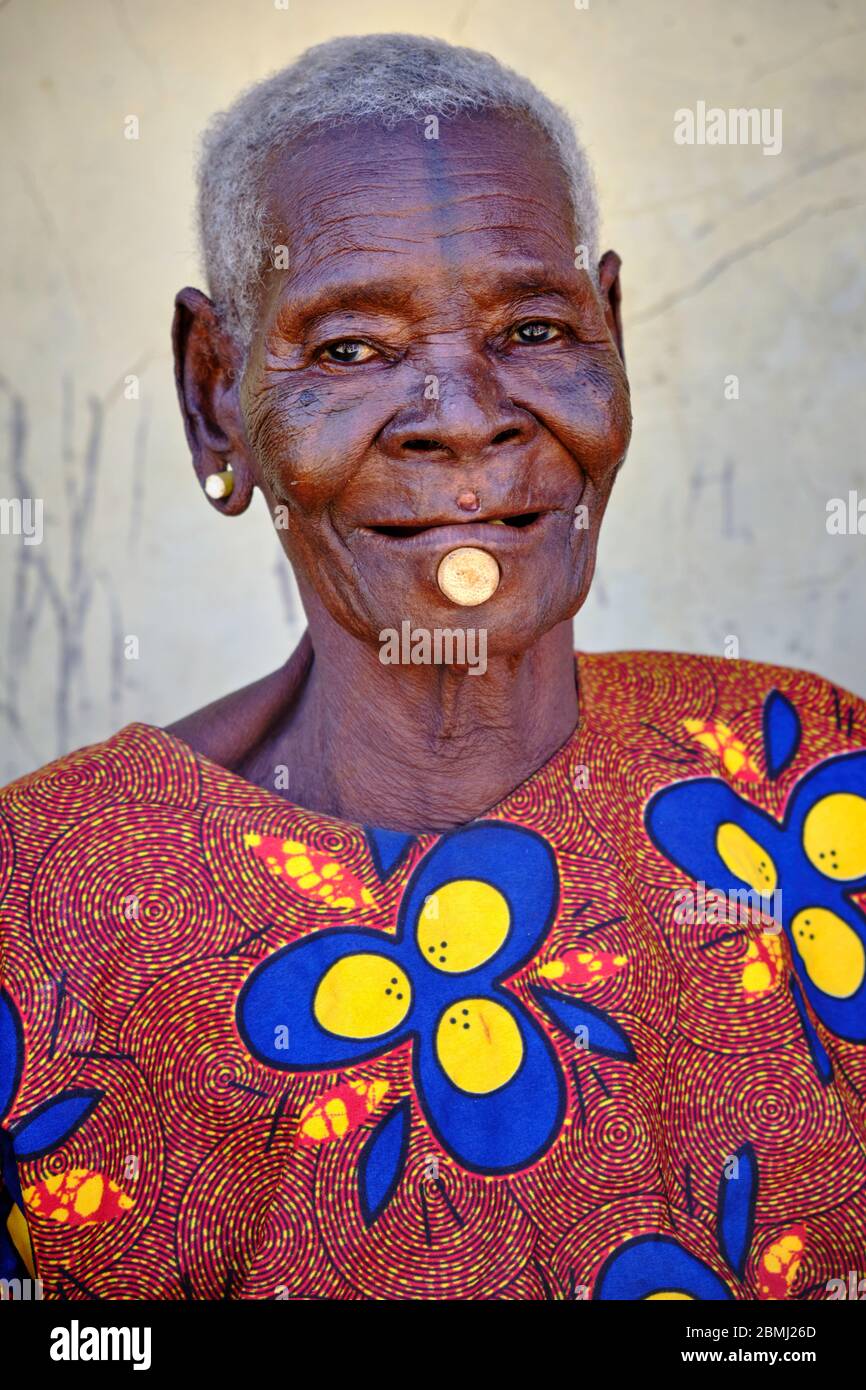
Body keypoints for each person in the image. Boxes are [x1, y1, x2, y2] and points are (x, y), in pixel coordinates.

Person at [1, 33, 864, 1302]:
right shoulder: (42, 907)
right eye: (349, 348)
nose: (464, 415)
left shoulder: (816, 785)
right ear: (215, 394)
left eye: (532, 326)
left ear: (610, 341)